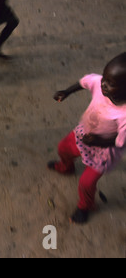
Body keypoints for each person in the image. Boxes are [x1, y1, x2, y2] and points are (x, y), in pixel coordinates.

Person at [48, 52, 126, 224]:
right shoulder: (100, 84)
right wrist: (67, 92)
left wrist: (99, 141)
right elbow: (86, 81)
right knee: (63, 148)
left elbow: (121, 141)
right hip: (83, 134)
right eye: (104, 78)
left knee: (86, 184)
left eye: (110, 83)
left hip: (104, 152)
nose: (103, 84)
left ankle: (86, 206)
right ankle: (66, 167)